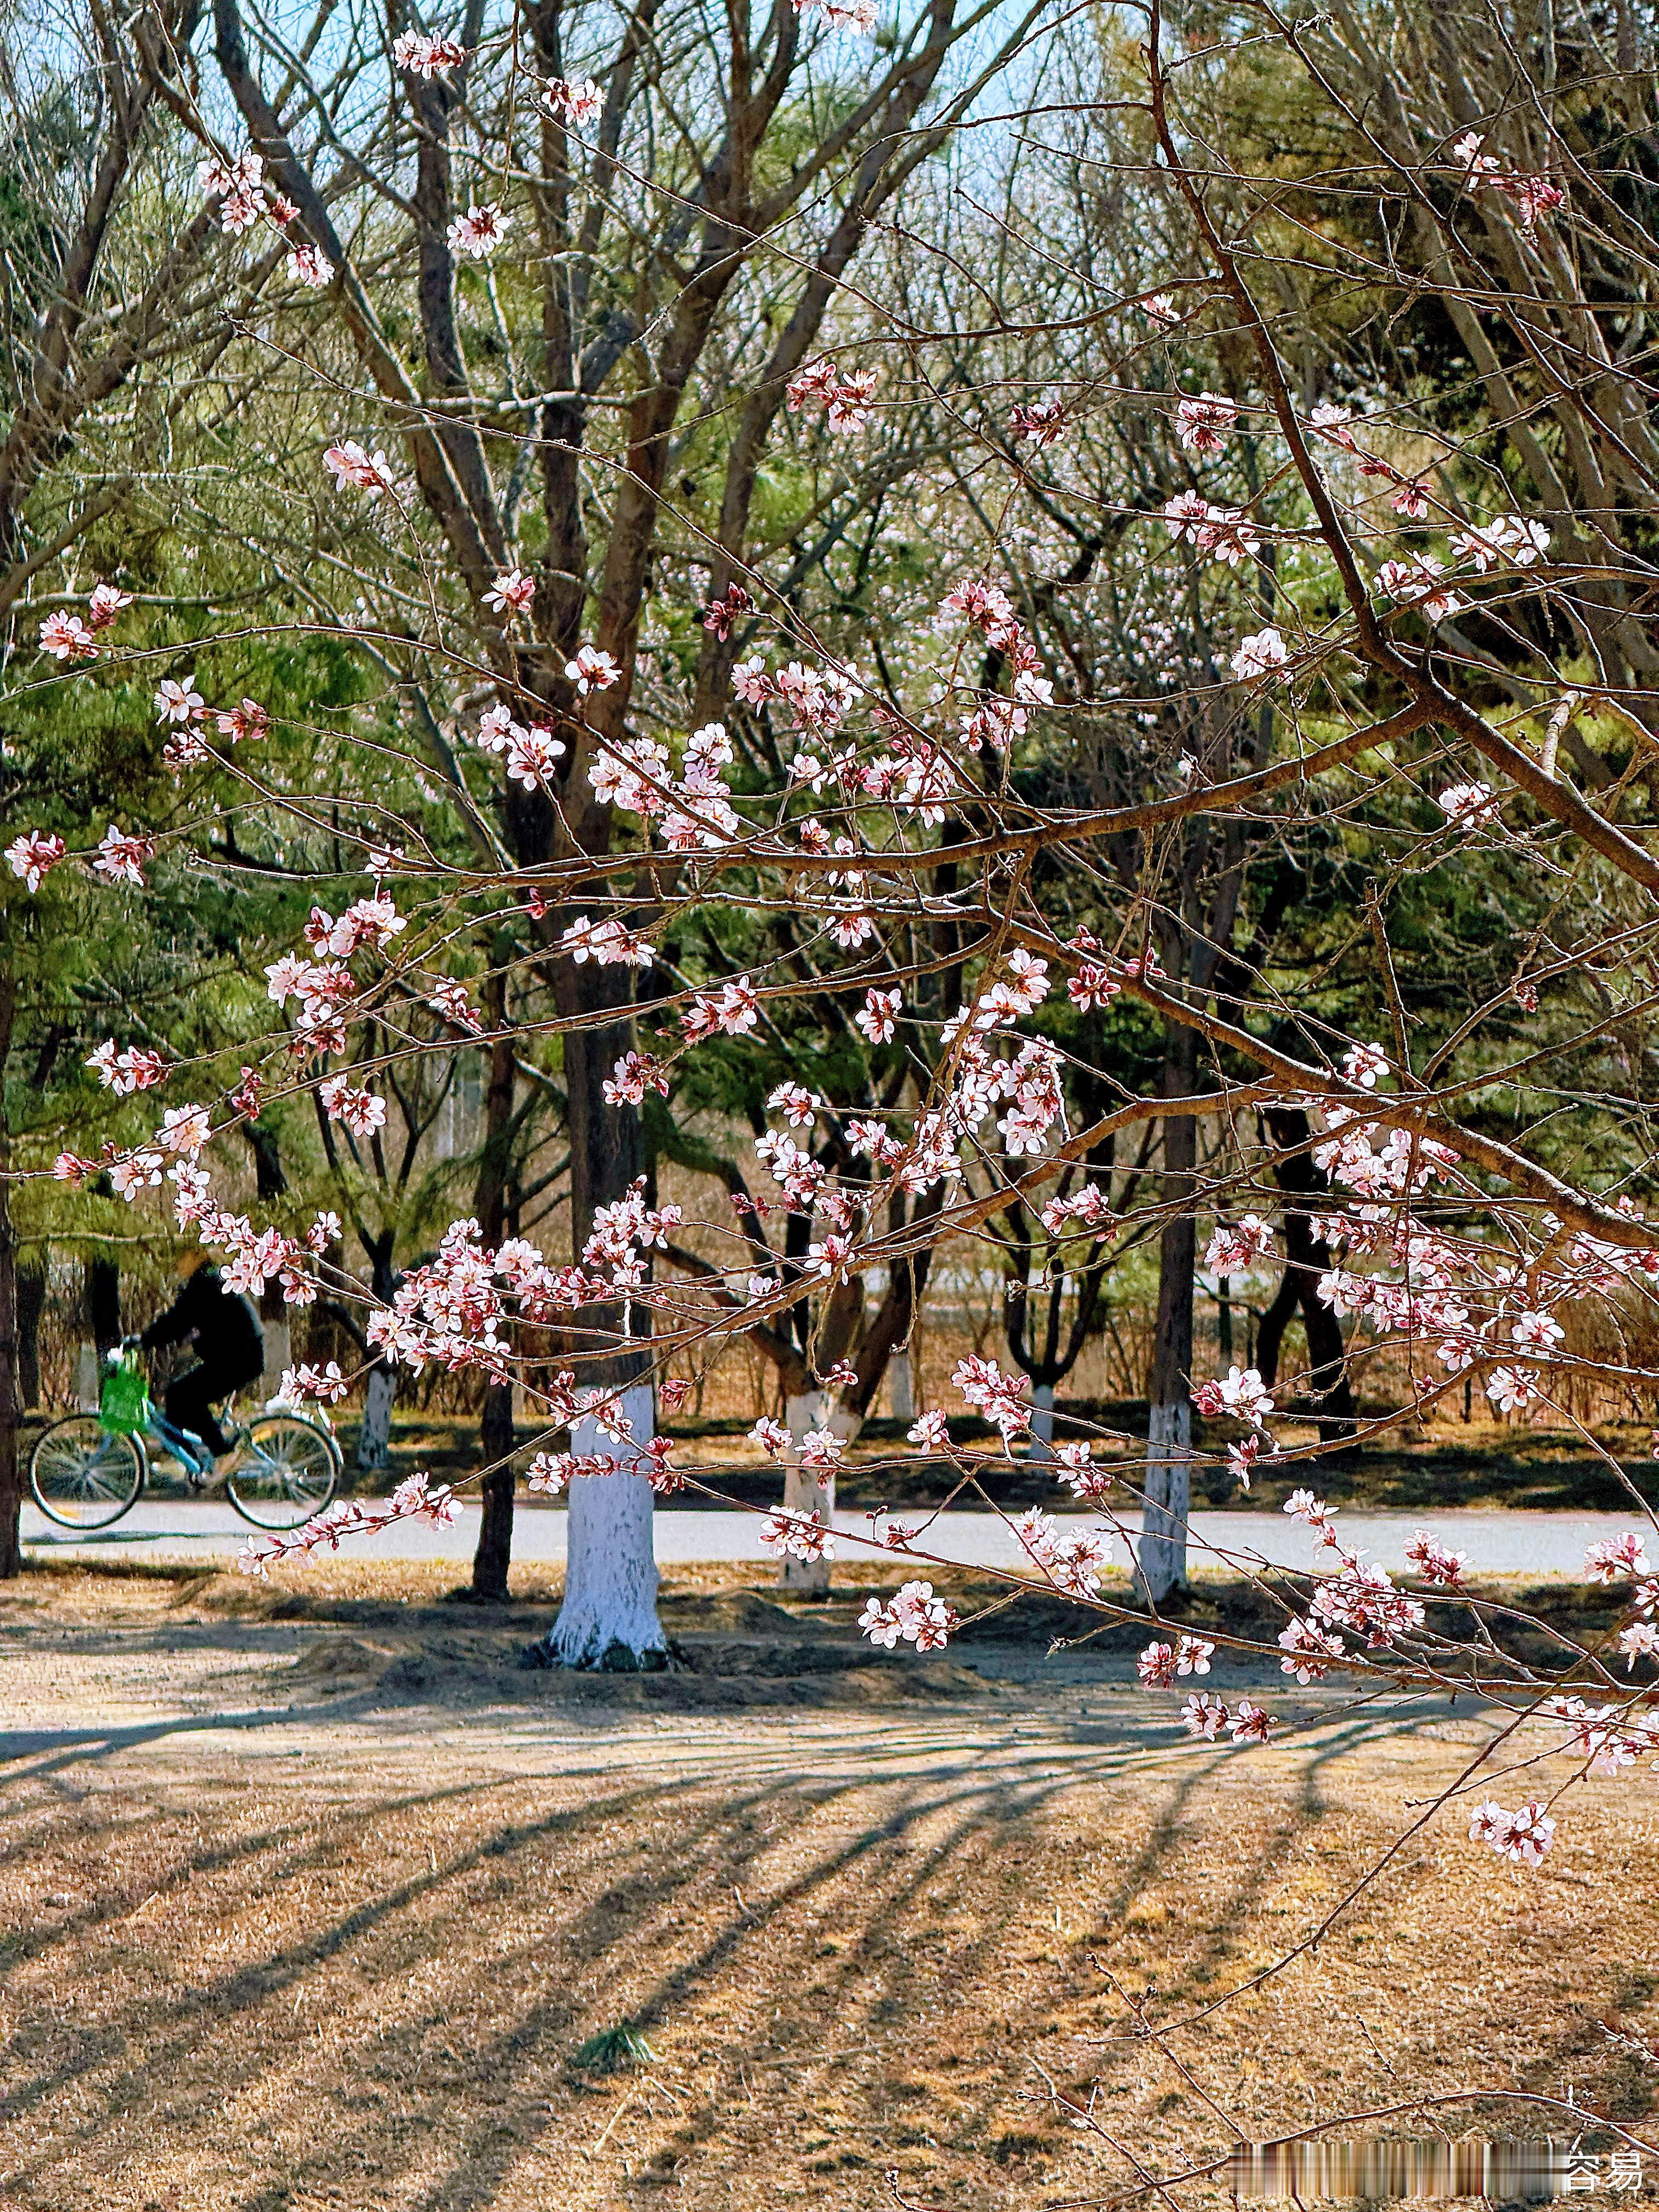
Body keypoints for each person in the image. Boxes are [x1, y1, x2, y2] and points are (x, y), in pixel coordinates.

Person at [140, 1247, 265, 1469]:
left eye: (181, 1256)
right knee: (179, 1398)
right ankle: (194, 1461)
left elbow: (178, 1321)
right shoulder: (208, 1280)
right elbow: (182, 1322)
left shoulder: (205, 1284)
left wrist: (144, 1341)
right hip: (239, 1354)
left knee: (182, 1396)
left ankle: (221, 1453)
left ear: (197, 1256)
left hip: (240, 1358)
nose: (177, 1263)